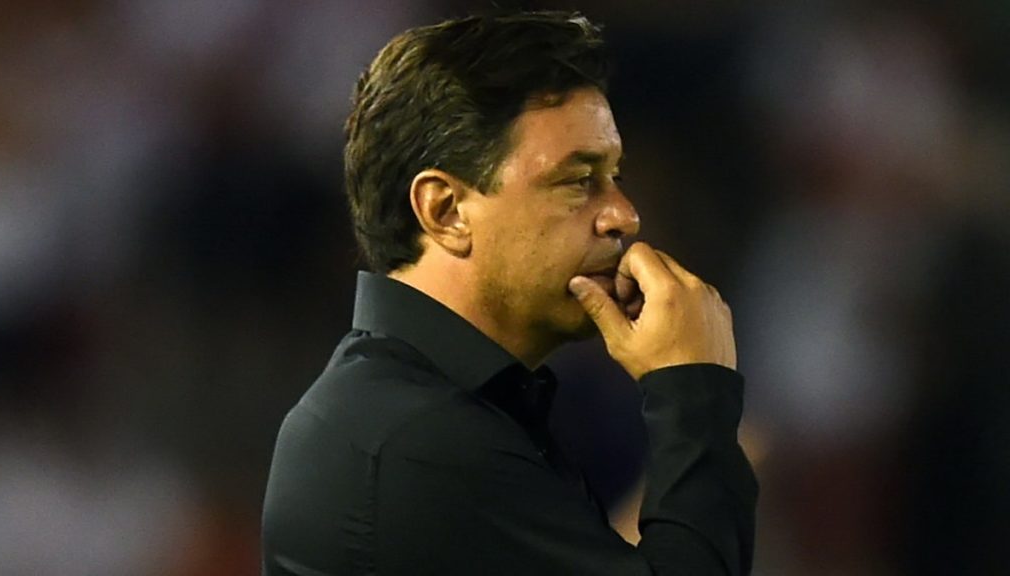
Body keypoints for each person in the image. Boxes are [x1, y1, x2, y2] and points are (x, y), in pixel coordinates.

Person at [262, 11, 757, 575]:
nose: (624, 216)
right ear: (445, 211)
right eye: (579, 181)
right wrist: (693, 390)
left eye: (614, 177)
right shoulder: (415, 441)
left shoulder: (416, 410)